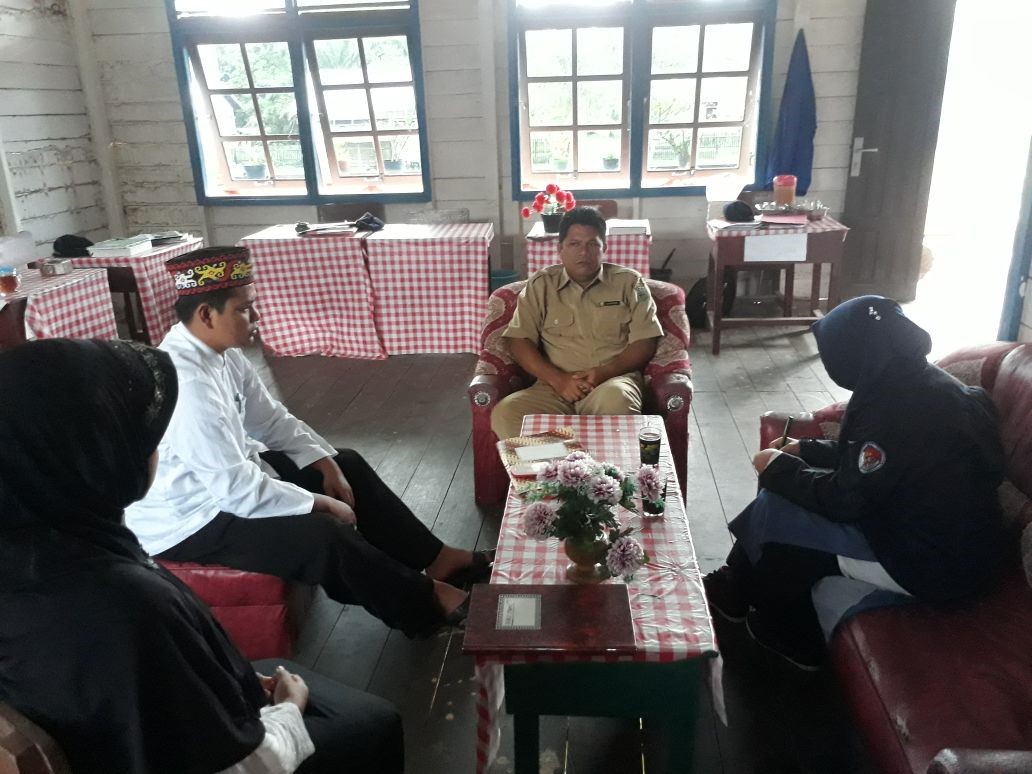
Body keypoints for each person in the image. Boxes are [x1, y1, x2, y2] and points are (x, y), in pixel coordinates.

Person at [0, 338, 403, 773]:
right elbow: (245, 765)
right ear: (94, 456)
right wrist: (289, 708)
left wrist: (223, 678)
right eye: (142, 438)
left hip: (132, 728)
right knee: (374, 722)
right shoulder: (120, 605)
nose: (156, 451)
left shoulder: (38, 546)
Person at [125, 246, 490, 639]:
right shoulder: (188, 382)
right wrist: (320, 502)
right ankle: (428, 604)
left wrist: (324, 462)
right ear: (206, 314)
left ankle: (439, 559)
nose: (257, 317)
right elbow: (236, 491)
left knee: (346, 463)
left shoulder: (221, 353)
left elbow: (270, 420)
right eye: (244, 309)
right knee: (322, 535)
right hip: (192, 519)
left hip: (228, 486)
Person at [704, 295, 1006, 670]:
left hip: (932, 564)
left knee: (777, 512)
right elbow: (880, 459)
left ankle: (794, 638)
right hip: (959, 547)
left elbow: (846, 500)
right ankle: (735, 588)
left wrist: (778, 467)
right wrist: (806, 449)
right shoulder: (925, 384)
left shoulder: (891, 408)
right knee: (781, 502)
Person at [490, 206, 664, 440]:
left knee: (619, 400)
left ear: (604, 248)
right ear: (560, 249)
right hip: (554, 387)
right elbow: (518, 340)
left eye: (593, 244)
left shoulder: (631, 283)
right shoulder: (541, 285)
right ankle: (565, 461)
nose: (584, 252)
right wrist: (558, 380)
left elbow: (645, 340)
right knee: (506, 413)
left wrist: (604, 372)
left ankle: (589, 464)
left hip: (610, 382)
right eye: (574, 244)